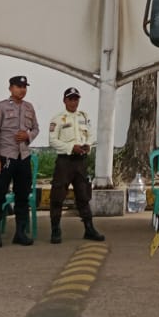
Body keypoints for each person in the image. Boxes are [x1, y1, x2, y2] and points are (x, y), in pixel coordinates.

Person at [0, 74, 40, 248]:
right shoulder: (1, 107)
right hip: (5, 157)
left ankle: (20, 233)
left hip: (23, 157)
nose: (22, 90)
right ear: (10, 88)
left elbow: (36, 128)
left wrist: (28, 135)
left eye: (24, 87)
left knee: (22, 196)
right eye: (18, 86)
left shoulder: (29, 107)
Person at [47, 86, 103, 244]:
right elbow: (52, 141)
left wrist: (88, 145)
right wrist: (71, 147)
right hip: (65, 161)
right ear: (64, 100)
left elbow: (90, 135)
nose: (73, 102)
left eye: (76, 99)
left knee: (83, 195)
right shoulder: (58, 119)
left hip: (80, 161)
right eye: (70, 99)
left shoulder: (83, 116)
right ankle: (55, 229)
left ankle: (89, 228)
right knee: (57, 196)